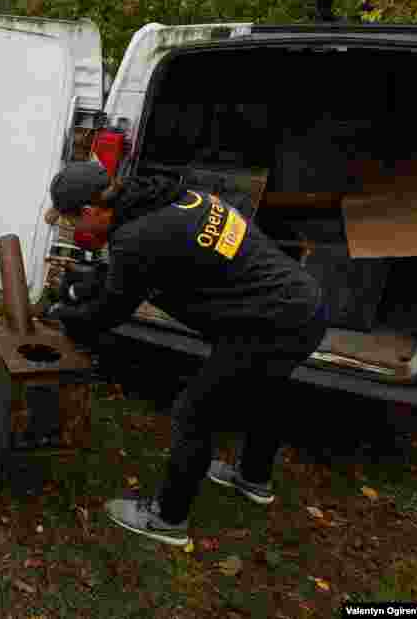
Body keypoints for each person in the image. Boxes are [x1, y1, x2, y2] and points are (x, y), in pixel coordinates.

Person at [43, 162, 327, 546]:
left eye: (72, 222)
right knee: (265, 390)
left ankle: (167, 519)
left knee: (194, 413)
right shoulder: (173, 199)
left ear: (92, 212)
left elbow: (108, 312)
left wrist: (66, 315)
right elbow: (129, 274)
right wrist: (79, 288)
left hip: (271, 325)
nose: (74, 232)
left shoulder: (136, 238)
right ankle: (253, 478)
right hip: (302, 304)